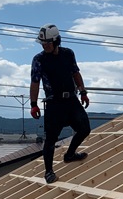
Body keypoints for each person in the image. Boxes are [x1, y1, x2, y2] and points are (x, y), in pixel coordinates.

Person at [29, 24, 91, 184]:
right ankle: (49, 171)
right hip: (53, 103)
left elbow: (76, 73)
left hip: (71, 99)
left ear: (56, 41)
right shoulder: (39, 60)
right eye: (43, 43)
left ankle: (70, 155)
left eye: (48, 43)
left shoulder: (68, 54)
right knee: (50, 139)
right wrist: (33, 104)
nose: (45, 46)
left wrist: (83, 92)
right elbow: (35, 82)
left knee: (84, 129)